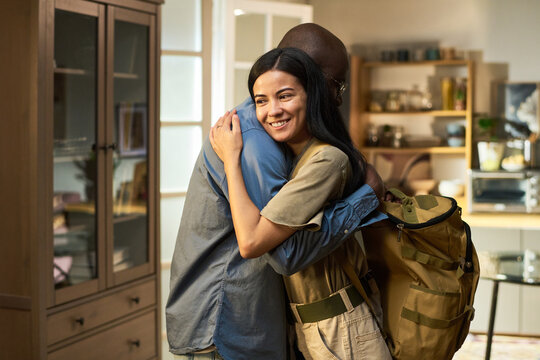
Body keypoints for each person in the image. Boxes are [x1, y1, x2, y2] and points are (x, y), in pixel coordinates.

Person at [166, 23, 386, 360]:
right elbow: (286, 254)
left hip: (249, 321)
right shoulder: (254, 140)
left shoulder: (287, 137)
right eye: (336, 83)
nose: (339, 97)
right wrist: (364, 198)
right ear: (308, 75)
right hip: (226, 323)